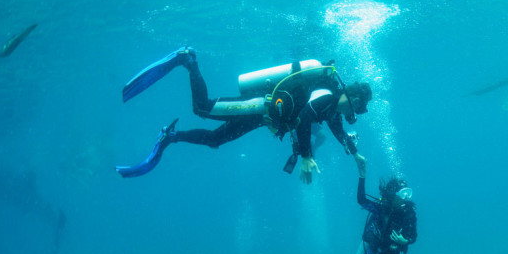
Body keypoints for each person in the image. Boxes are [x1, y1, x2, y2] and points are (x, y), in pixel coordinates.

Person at [116, 47, 372, 182]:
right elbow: (305, 116)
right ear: (354, 99)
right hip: (258, 105)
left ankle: (171, 136)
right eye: (356, 109)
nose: (352, 115)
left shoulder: (332, 107)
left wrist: (355, 154)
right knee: (202, 107)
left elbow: (337, 129)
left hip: (261, 117)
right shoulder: (326, 95)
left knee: (215, 139)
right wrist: (306, 156)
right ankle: (188, 60)